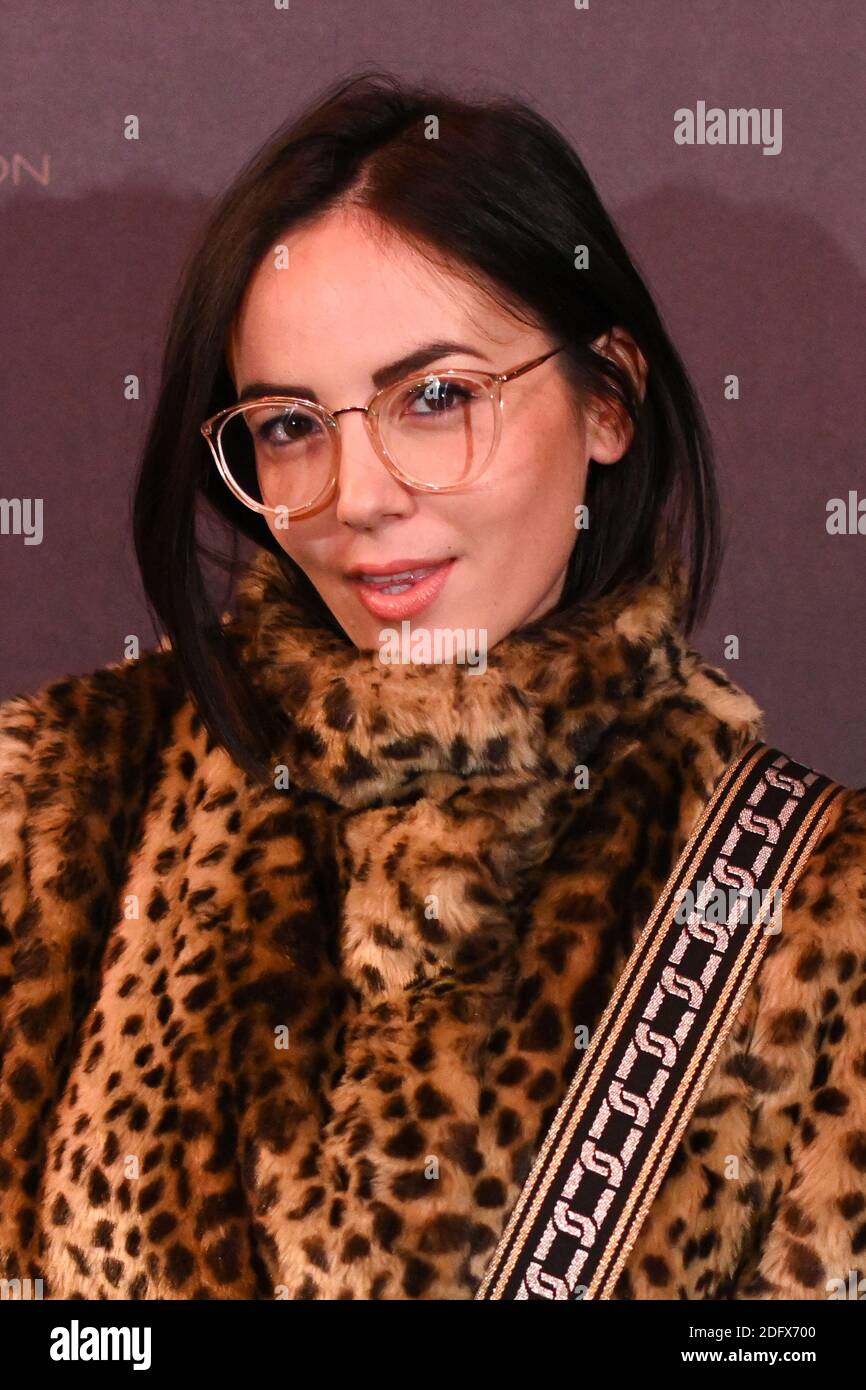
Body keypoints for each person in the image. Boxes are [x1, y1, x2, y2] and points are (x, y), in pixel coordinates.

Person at [1, 69, 864, 1303]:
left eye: (437, 397)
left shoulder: (816, 908)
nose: (356, 496)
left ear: (606, 397)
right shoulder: (55, 811)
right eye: (290, 423)